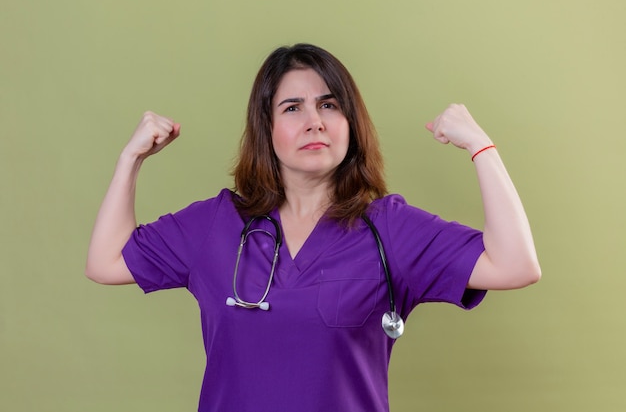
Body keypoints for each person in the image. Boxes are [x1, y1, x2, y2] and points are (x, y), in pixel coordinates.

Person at [85, 43, 541, 412]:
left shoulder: (392, 231)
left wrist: (481, 147)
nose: (314, 121)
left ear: (350, 124)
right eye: (292, 108)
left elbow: (516, 265)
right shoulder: (215, 226)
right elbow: (105, 261)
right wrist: (131, 160)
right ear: (266, 128)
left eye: (329, 104)